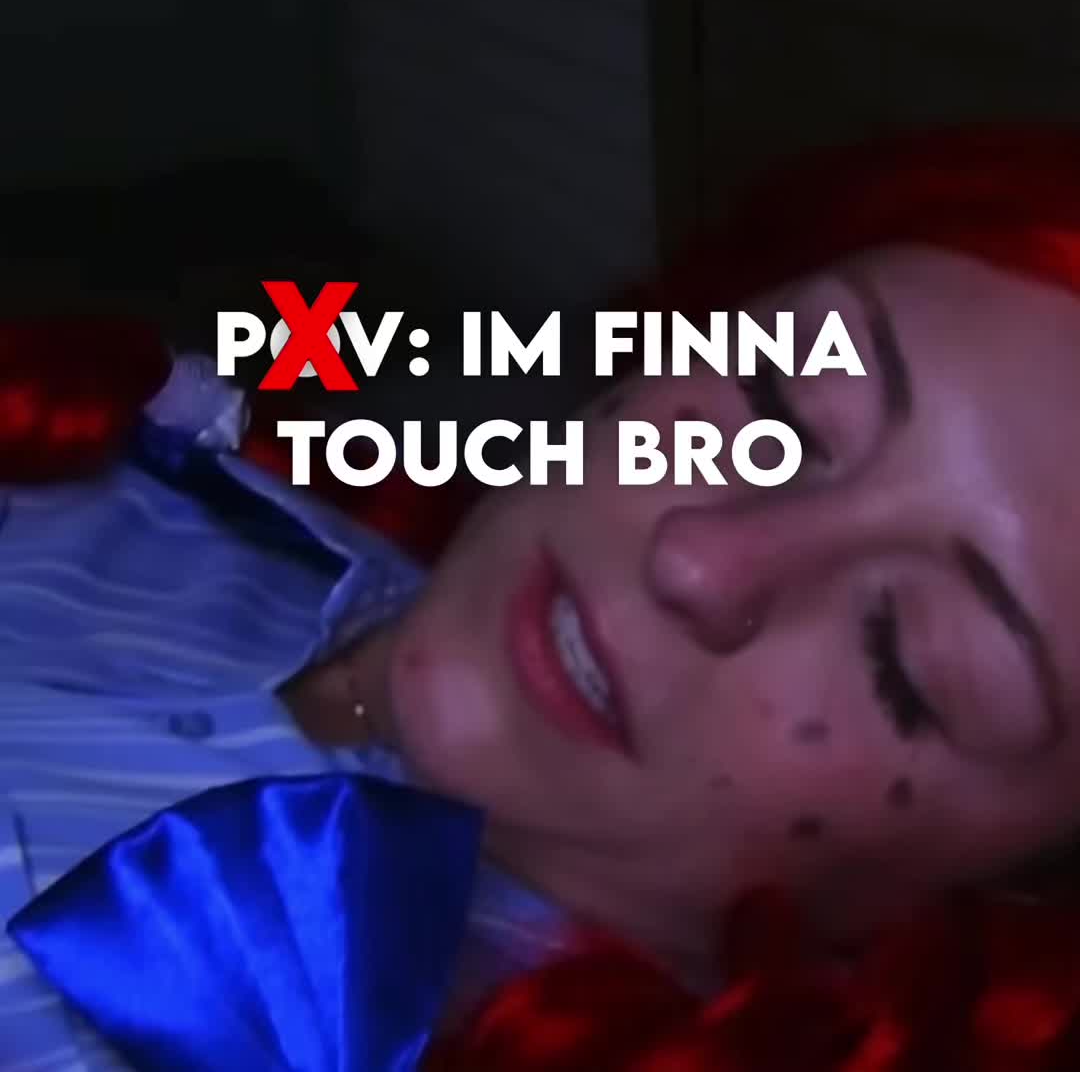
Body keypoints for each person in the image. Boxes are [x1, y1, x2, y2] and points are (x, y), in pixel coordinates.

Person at [6, 124, 1080, 1071]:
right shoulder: (190, 469)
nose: (701, 561)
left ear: (1009, 903)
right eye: (781, 402)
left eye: (914, 664)